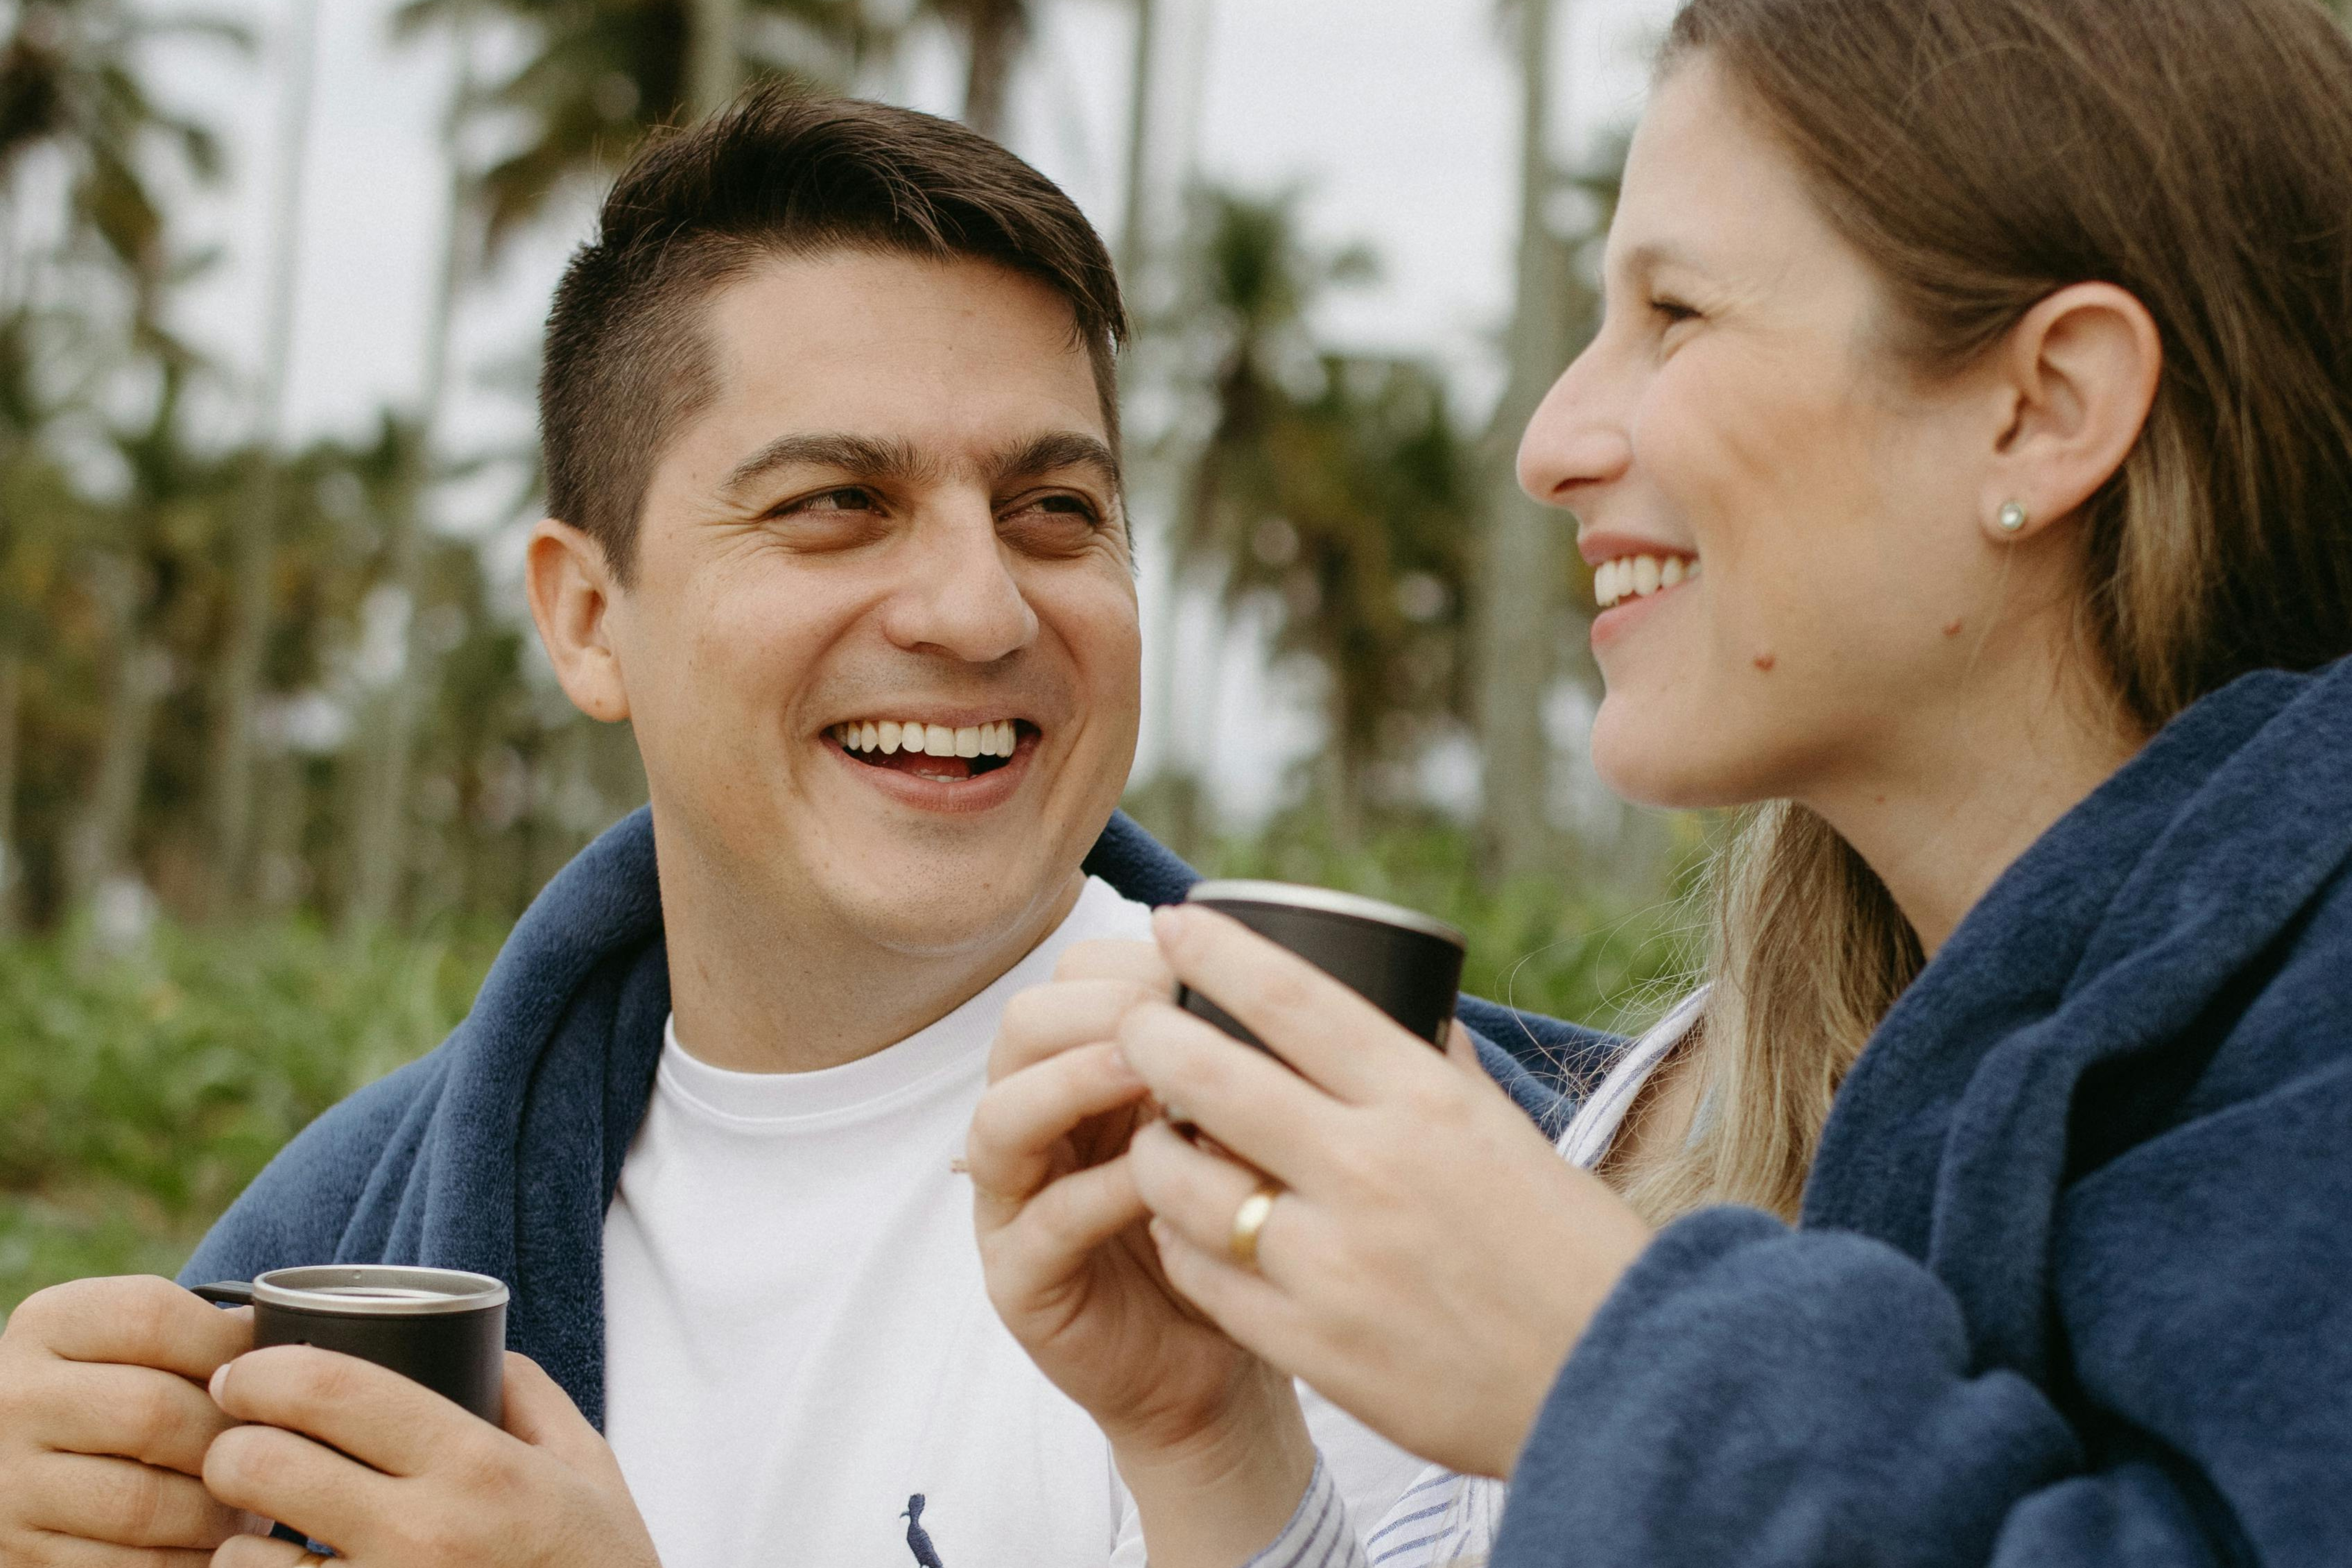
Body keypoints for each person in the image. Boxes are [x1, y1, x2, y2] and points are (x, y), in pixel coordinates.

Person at [0, 89, 1594, 1568]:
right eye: (837, 502)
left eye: (1056, 511)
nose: (979, 608)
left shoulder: (1359, 1168)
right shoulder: (339, 1229)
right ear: (584, 618)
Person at [970, 0, 2352, 1563]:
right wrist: (1219, 1452)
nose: (1550, 440)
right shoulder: (1749, 1092)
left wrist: (1602, 1371)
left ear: (2044, 409)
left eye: (1675, 314)